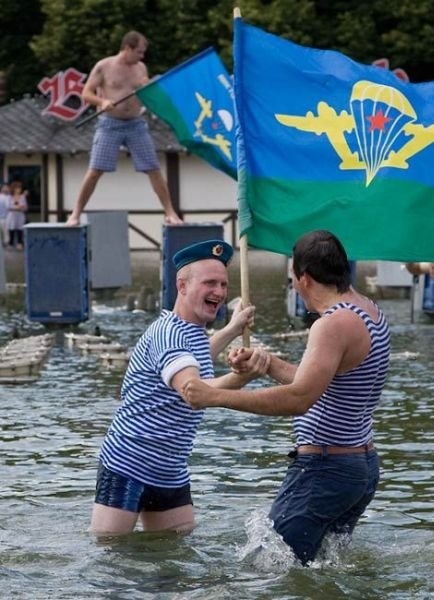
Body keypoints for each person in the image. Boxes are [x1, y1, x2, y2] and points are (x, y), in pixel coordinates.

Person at [179, 230, 392, 565]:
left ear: (304, 278)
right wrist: (267, 363)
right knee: (320, 570)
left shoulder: (332, 324)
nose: (294, 285)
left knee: (267, 569)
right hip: (359, 467)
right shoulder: (369, 311)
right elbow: (322, 381)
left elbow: (299, 398)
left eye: (293, 278)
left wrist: (214, 396)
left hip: (325, 468)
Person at [90, 239, 270, 536]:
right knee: (112, 559)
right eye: (210, 283)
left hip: (170, 469)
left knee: (173, 564)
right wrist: (242, 378)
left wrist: (231, 329)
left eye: (224, 285)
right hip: (128, 465)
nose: (220, 292)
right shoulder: (168, 333)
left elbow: (195, 359)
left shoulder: (191, 330)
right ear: (182, 286)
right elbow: (193, 392)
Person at [66, 31, 183, 227]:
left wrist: (150, 87)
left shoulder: (140, 67)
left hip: (136, 124)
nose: (142, 56)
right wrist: (102, 101)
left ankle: (170, 213)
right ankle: (75, 214)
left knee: (153, 168)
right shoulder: (104, 66)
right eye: (139, 51)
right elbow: (86, 94)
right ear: (127, 49)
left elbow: (145, 92)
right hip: (109, 124)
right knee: (95, 170)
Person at [6, 181, 28, 250]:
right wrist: (19, 207)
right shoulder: (9, 197)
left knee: (20, 230)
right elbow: (8, 207)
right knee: (11, 229)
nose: (19, 189)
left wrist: (18, 207)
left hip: (20, 216)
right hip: (12, 216)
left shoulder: (22, 197)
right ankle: (11, 243)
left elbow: (25, 207)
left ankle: (20, 243)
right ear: (14, 189)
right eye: (17, 188)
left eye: (20, 188)